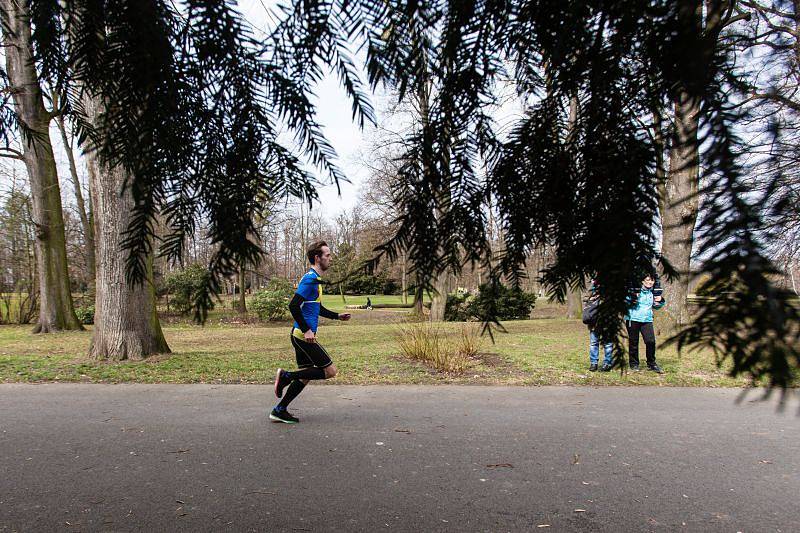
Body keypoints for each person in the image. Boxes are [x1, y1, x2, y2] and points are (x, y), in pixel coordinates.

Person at [270, 241, 351, 423]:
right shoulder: (309, 280)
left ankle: (279, 409)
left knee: (306, 376)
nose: (331, 258)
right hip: (302, 336)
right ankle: (286, 376)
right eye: (327, 255)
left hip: (299, 335)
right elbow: (293, 305)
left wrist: (337, 316)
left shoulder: (315, 279)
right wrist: (307, 330)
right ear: (317, 258)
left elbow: (317, 308)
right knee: (330, 371)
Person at [624, 273, 665, 373]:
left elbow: (656, 306)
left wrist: (660, 301)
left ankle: (651, 364)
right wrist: (633, 297)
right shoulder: (634, 290)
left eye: (652, 280)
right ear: (642, 281)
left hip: (647, 319)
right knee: (634, 342)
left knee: (650, 342)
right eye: (647, 280)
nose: (650, 282)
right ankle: (634, 364)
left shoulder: (653, 292)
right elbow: (625, 302)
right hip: (633, 319)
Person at [584, 279, 614, 372]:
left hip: (608, 321)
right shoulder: (593, 284)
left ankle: (607, 363)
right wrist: (592, 297)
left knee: (608, 343)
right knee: (594, 343)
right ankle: (594, 363)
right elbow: (585, 298)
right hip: (594, 321)